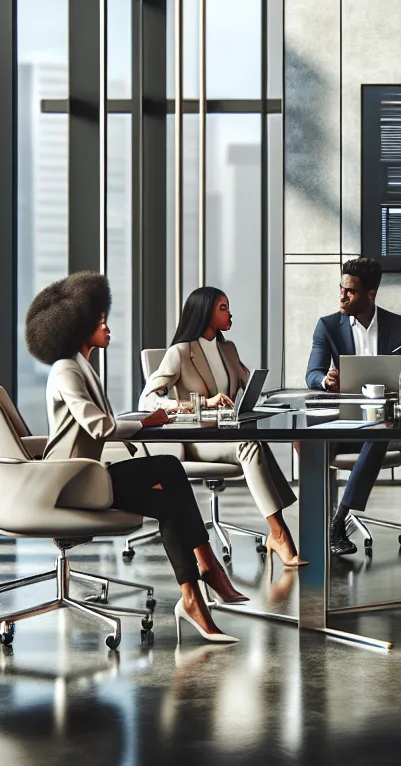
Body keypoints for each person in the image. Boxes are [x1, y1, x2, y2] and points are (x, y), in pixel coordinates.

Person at [27, 271, 245, 645]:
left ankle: (194, 595)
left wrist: (150, 419)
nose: (108, 328)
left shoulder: (81, 367)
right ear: (78, 328)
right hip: (69, 481)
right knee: (169, 473)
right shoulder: (66, 371)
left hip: (88, 475)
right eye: (100, 323)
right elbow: (99, 427)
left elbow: (106, 424)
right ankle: (206, 572)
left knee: (169, 496)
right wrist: (147, 420)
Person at [140, 286, 309, 570]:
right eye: (222, 308)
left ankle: (280, 532)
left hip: (228, 433)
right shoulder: (180, 352)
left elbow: (251, 387)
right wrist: (201, 403)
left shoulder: (228, 349)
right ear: (204, 312)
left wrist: (282, 402)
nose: (230, 313)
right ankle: (279, 534)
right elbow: (147, 399)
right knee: (250, 444)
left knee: (256, 441)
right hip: (197, 440)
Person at [302, 257, 401, 556]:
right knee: (305, 438)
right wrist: (326, 381)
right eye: (341, 289)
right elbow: (312, 373)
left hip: (386, 423)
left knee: (381, 427)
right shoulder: (328, 326)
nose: (342, 296)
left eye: (350, 291)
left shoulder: (399, 326)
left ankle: (338, 520)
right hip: (343, 422)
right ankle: (329, 521)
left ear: (370, 294)